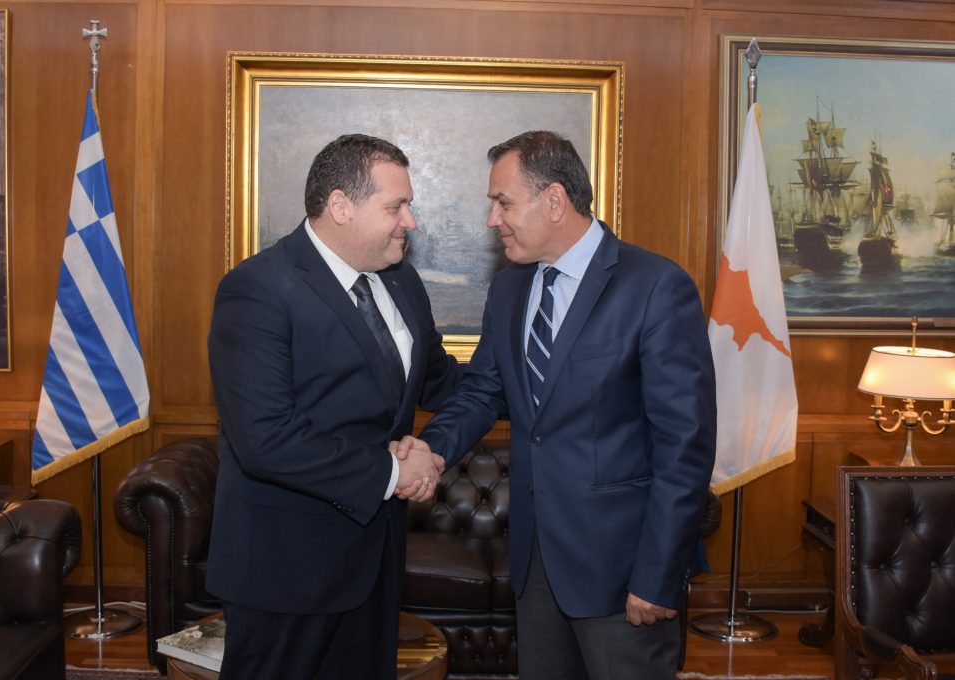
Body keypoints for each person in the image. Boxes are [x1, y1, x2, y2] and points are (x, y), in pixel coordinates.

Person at [396, 131, 716, 679]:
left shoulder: (655, 286)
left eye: (503, 202)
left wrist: (659, 573)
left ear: (554, 200)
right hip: (536, 563)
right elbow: (482, 391)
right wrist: (430, 449)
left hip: (623, 568)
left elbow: (685, 447)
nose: (492, 220)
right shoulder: (509, 290)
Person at [206, 133, 460, 680]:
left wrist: (538, 388)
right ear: (341, 205)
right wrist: (393, 472)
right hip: (284, 569)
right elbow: (266, 439)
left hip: (375, 558)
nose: (410, 221)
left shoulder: (402, 281)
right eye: (396, 206)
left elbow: (439, 382)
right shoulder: (257, 289)